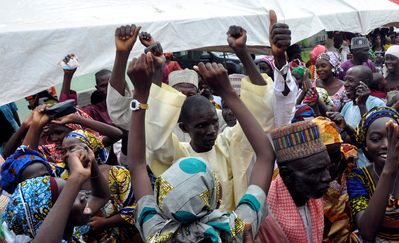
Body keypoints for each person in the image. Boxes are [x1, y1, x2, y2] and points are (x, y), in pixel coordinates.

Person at [107, 24, 274, 211]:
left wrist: (242, 53)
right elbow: (149, 130)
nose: (211, 130)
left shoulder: (228, 144)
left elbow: (261, 116)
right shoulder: (175, 152)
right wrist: (133, 62)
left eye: (212, 123)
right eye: (180, 95)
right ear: (170, 99)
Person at [125, 49, 275, 241]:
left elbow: (137, 166)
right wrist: (228, 90)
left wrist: (141, 93)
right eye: (202, 126)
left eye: (213, 122)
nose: (212, 130)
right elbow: (265, 155)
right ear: (216, 194)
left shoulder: (158, 235)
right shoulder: (236, 229)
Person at [1, 107, 110, 242]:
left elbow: (101, 196)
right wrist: (75, 179)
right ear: (50, 215)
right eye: (70, 196)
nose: (83, 194)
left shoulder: (71, 228)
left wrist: (90, 160)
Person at [347, 106, 399, 242]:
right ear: (366, 145)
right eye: (376, 139)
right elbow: (367, 232)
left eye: (393, 137)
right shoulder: (358, 177)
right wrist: (388, 171)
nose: (387, 144)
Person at [56, 129, 140, 242]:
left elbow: (136, 208)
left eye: (72, 149)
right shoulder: (59, 174)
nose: (67, 155)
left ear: (90, 148)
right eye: (63, 151)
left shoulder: (117, 173)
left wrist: (106, 223)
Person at [258, 120, 331, 243]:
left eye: (326, 168)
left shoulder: (313, 200)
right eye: (315, 172)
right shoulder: (261, 209)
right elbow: (235, 231)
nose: (327, 177)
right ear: (286, 175)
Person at [312, 116, 360, 242]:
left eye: (334, 155)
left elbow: (363, 142)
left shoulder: (349, 155)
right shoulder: (308, 177)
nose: (331, 163)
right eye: (323, 158)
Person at [59, 54, 113, 125]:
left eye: (111, 84)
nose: (108, 88)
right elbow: (67, 114)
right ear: (98, 88)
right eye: (103, 86)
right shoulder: (94, 111)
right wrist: (68, 75)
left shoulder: (129, 102)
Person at [328, 65, 385, 131]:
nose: (345, 84)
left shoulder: (377, 104)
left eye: (351, 81)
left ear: (365, 83)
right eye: (345, 80)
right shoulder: (348, 105)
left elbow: (373, 133)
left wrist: (362, 105)